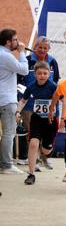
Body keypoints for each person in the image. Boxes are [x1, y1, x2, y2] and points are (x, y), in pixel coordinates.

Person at [16, 36, 60, 166]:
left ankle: (43, 158)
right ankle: (26, 158)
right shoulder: (27, 60)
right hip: (29, 103)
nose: (42, 50)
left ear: (49, 49)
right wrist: (23, 95)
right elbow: (19, 79)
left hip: (49, 105)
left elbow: (56, 80)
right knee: (29, 131)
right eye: (40, 47)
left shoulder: (52, 61)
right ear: (35, 47)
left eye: (45, 48)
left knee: (46, 132)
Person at [15, 61, 58, 184]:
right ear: (35, 74)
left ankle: (45, 154)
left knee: (46, 150)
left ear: (49, 74)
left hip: (50, 120)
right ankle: (31, 174)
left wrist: (62, 119)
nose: (42, 76)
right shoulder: (31, 86)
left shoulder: (53, 86)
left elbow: (63, 99)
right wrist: (17, 112)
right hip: (37, 118)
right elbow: (23, 100)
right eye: (39, 73)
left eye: (45, 73)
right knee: (33, 143)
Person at [0, 29, 28, 174]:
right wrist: (22, 52)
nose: (18, 42)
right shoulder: (5, 56)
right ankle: (6, 165)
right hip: (6, 100)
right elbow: (24, 70)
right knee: (9, 133)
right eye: (15, 40)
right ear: (8, 42)